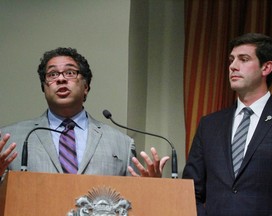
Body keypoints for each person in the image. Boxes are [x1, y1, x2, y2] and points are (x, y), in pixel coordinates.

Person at [0, 47, 167, 178]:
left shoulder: (122, 144)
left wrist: (151, 187)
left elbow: (133, 202)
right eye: (52, 74)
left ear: (86, 87)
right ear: (44, 88)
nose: (60, 79)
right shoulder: (10, 138)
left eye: (70, 73)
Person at [181, 33, 272, 215]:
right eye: (231, 60)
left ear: (266, 67)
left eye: (243, 59)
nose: (233, 66)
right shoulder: (209, 125)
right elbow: (190, 191)